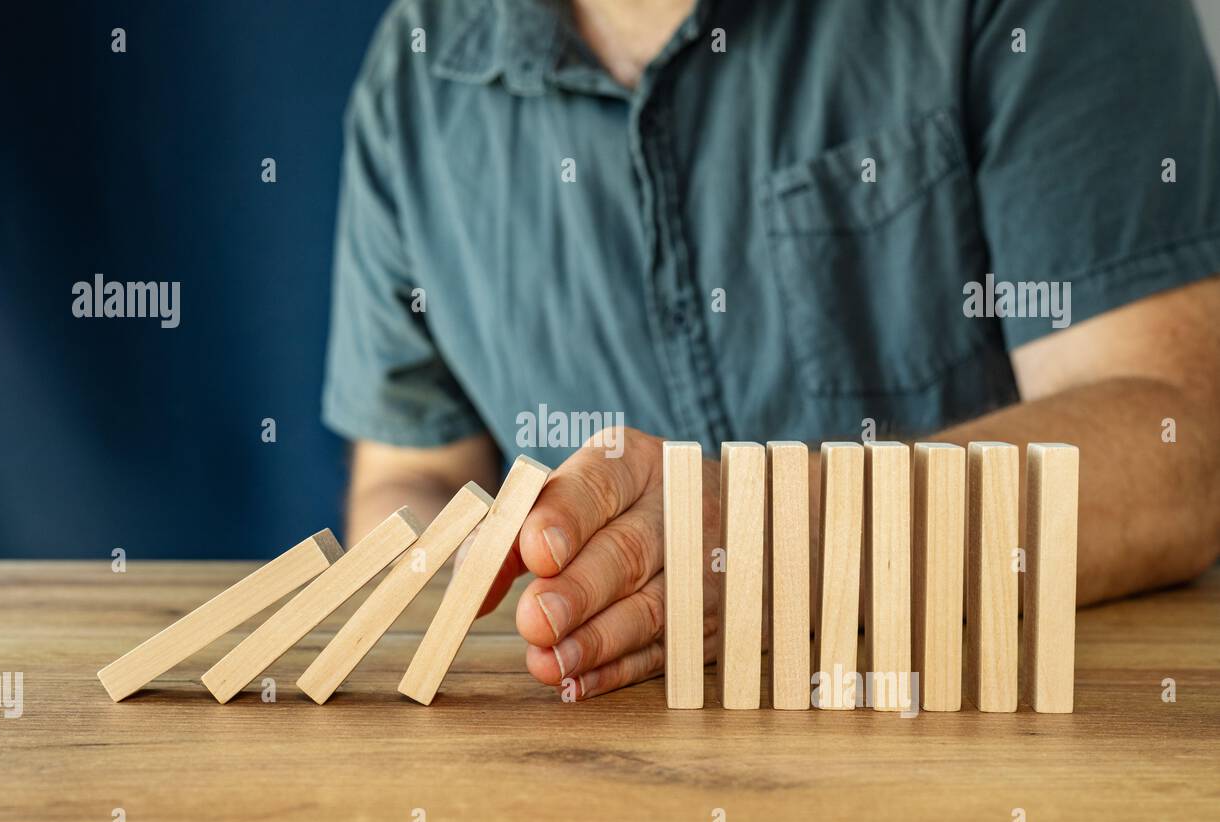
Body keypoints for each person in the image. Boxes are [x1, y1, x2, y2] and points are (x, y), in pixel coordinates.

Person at [323, 0, 1220, 699]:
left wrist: (767, 543)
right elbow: (412, 477)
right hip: (611, 791)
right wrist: (494, 559)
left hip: (997, 758)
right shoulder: (414, 80)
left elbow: (1175, 451)